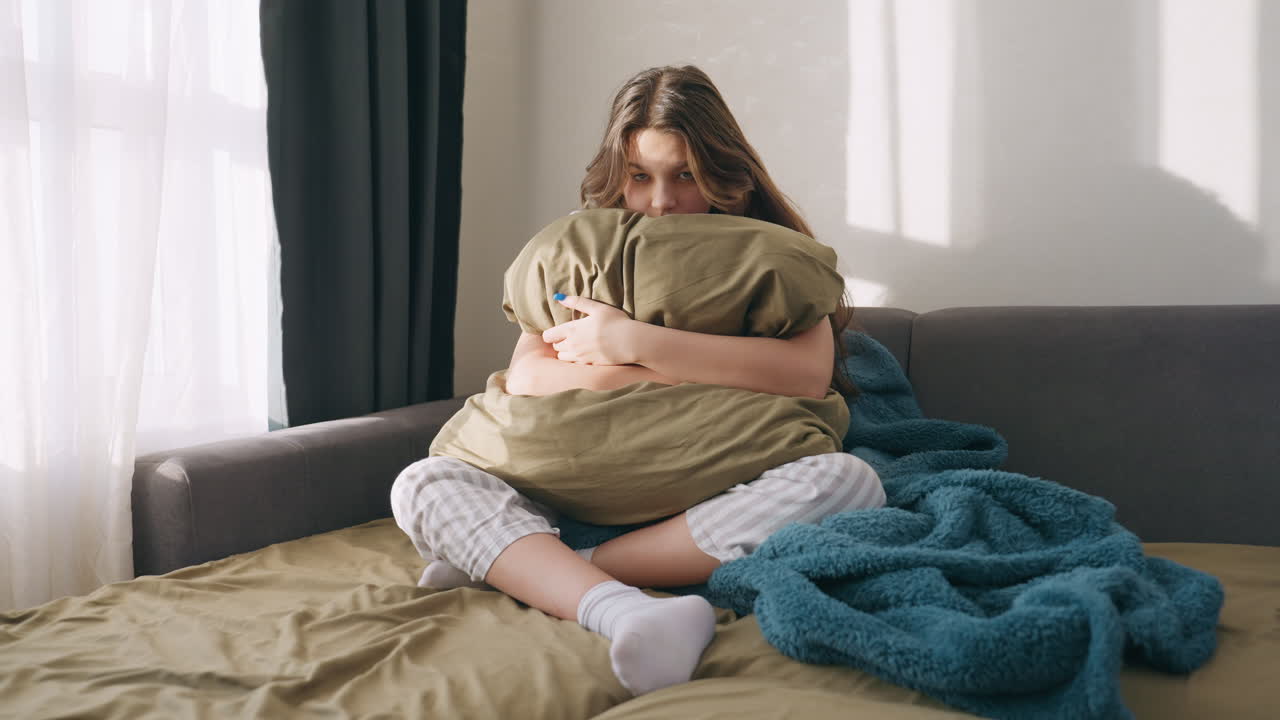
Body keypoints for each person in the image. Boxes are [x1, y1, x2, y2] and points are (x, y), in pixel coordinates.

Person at [390, 65, 885, 697]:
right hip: (569, 478)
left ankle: (539, 569)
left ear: (723, 172)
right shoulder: (586, 250)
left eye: (685, 176)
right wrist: (660, 374)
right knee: (424, 482)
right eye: (640, 177)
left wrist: (633, 343)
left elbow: (807, 375)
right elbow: (529, 375)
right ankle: (624, 608)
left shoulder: (774, 257)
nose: (660, 202)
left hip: (710, 477)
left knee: (849, 482)